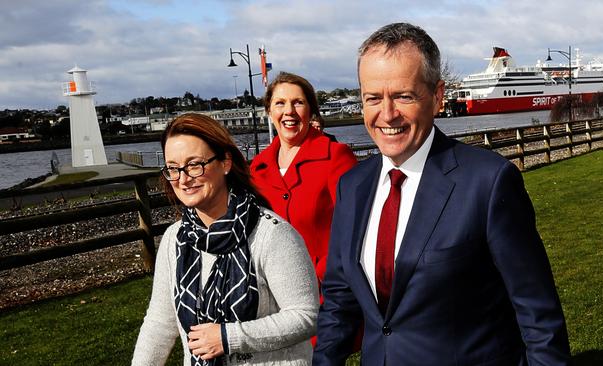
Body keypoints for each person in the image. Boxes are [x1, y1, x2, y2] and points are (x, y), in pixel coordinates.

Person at [313, 23, 571, 365]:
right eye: (373, 97)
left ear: (437, 96)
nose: (387, 114)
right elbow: (339, 300)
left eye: (404, 96)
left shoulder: (488, 182)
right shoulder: (352, 186)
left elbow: (539, 318)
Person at [132, 113, 319, 366]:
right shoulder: (174, 239)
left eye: (195, 164)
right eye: (173, 168)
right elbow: (159, 324)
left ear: (225, 162)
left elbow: (305, 316)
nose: (184, 179)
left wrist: (227, 337)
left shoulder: (271, 234)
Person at [250, 72, 357, 287]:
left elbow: (355, 228)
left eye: (298, 102)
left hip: (325, 293)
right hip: (273, 294)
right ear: (269, 112)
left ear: (311, 111)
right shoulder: (257, 168)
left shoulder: (336, 156)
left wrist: (320, 273)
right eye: (280, 103)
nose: (289, 111)